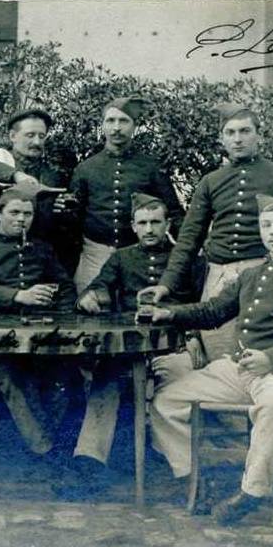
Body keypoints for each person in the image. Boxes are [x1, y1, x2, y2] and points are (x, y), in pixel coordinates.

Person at [148, 195, 273, 525]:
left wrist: (272, 359)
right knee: (167, 401)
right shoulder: (254, 275)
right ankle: (197, 479)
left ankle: (252, 492)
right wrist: (170, 313)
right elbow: (213, 311)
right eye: (266, 225)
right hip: (240, 369)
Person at [141, 102, 273, 365]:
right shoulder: (211, 181)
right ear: (221, 138)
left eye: (245, 131)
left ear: (259, 135)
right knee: (218, 353)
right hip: (219, 276)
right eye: (230, 132)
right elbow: (189, 239)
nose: (238, 139)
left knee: (261, 352)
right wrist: (166, 285)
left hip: (265, 272)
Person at [54, 193, 201, 500]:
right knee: (105, 381)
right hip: (129, 346)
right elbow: (99, 286)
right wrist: (91, 298)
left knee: (179, 380)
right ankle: (89, 461)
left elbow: (202, 306)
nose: (149, 229)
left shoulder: (186, 260)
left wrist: (193, 338)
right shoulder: (121, 257)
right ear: (133, 226)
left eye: (156, 222)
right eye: (143, 223)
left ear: (168, 224)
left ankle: (177, 466)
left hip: (172, 347)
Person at [0, 186, 79, 459]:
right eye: (14, 212)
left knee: (66, 374)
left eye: (27, 214)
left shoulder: (42, 248)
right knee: (11, 375)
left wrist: (62, 319)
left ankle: (58, 447)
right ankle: (46, 450)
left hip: (41, 333)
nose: (21, 219)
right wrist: (20, 296)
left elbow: (64, 286)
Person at [68, 96, 182, 293]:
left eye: (124, 121)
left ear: (134, 126)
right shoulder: (85, 169)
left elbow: (173, 211)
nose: (117, 127)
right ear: (102, 125)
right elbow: (73, 218)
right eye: (110, 121)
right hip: (95, 255)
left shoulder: (151, 167)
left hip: (137, 258)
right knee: (89, 308)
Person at [0, 108, 77, 272]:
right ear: (13, 136)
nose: (37, 142)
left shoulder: (50, 174)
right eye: (30, 135)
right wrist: (15, 175)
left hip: (33, 260)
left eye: (42, 136)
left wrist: (59, 210)